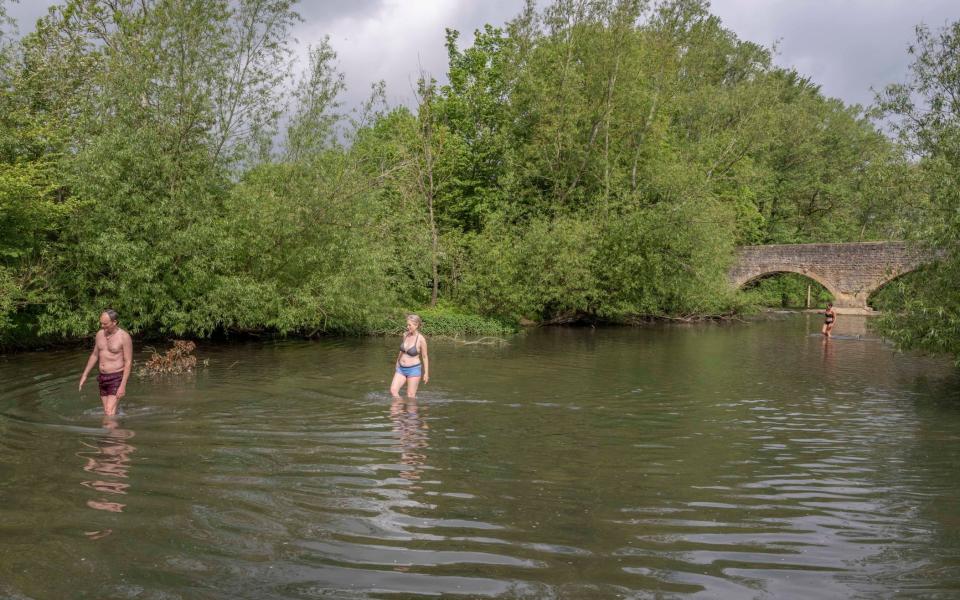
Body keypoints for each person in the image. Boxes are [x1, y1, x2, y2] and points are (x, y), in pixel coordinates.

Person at [79, 309, 133, 416]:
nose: (102, 326)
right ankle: (118, 429)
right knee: (108, 412)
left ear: (114, 322)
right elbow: (94, 355)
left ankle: (111, 431)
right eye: (101, 323)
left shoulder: (124, 337)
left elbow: (128, 362)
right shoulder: (99, 334)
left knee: (109, 412)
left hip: (117, 377)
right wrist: (84, 375)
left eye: (105, 324)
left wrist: (123, 385)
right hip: (102, 377)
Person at [390, 314, 429, 398]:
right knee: (393, 390)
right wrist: (397, 362)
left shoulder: (421, 339)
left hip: (413, 369)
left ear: (416, 325)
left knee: (410, 396)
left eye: (409, 325)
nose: (407, 327)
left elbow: (425, 357)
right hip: (401, 369)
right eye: (407, 325)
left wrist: (426, 373)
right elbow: (402, 351)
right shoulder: (405, 335)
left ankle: (409, 410)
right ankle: (399, 409)